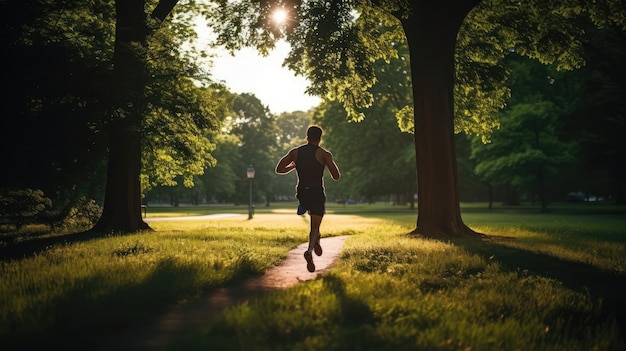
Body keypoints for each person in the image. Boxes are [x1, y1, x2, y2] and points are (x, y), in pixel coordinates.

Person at [275, 125, 341, 272]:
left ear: (307, 137)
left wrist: (293, 166)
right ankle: (310, 250)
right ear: (320, 138)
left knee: (311, 214)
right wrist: (327, 161)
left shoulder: (295, 152)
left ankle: (304, 209)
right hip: (316, 192)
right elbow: (336, 176)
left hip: (302, 192)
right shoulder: (324, 154)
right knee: (315, 226)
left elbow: (279, 169)